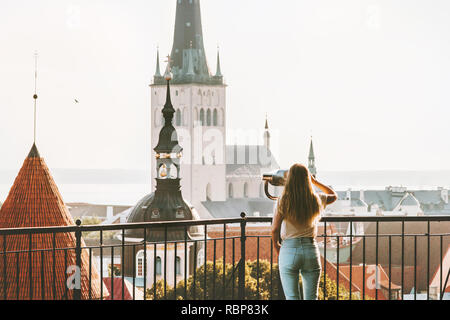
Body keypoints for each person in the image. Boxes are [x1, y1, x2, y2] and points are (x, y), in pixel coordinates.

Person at [271, 163, 337, 300]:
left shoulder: (283, 201)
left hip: (289, 249)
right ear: (307, 179)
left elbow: (275, 229)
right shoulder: (315, 199)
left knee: (292, 297)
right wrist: (315, 181)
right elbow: (333, 195)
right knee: (312, 297)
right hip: (310, 249)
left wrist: (277, 246)